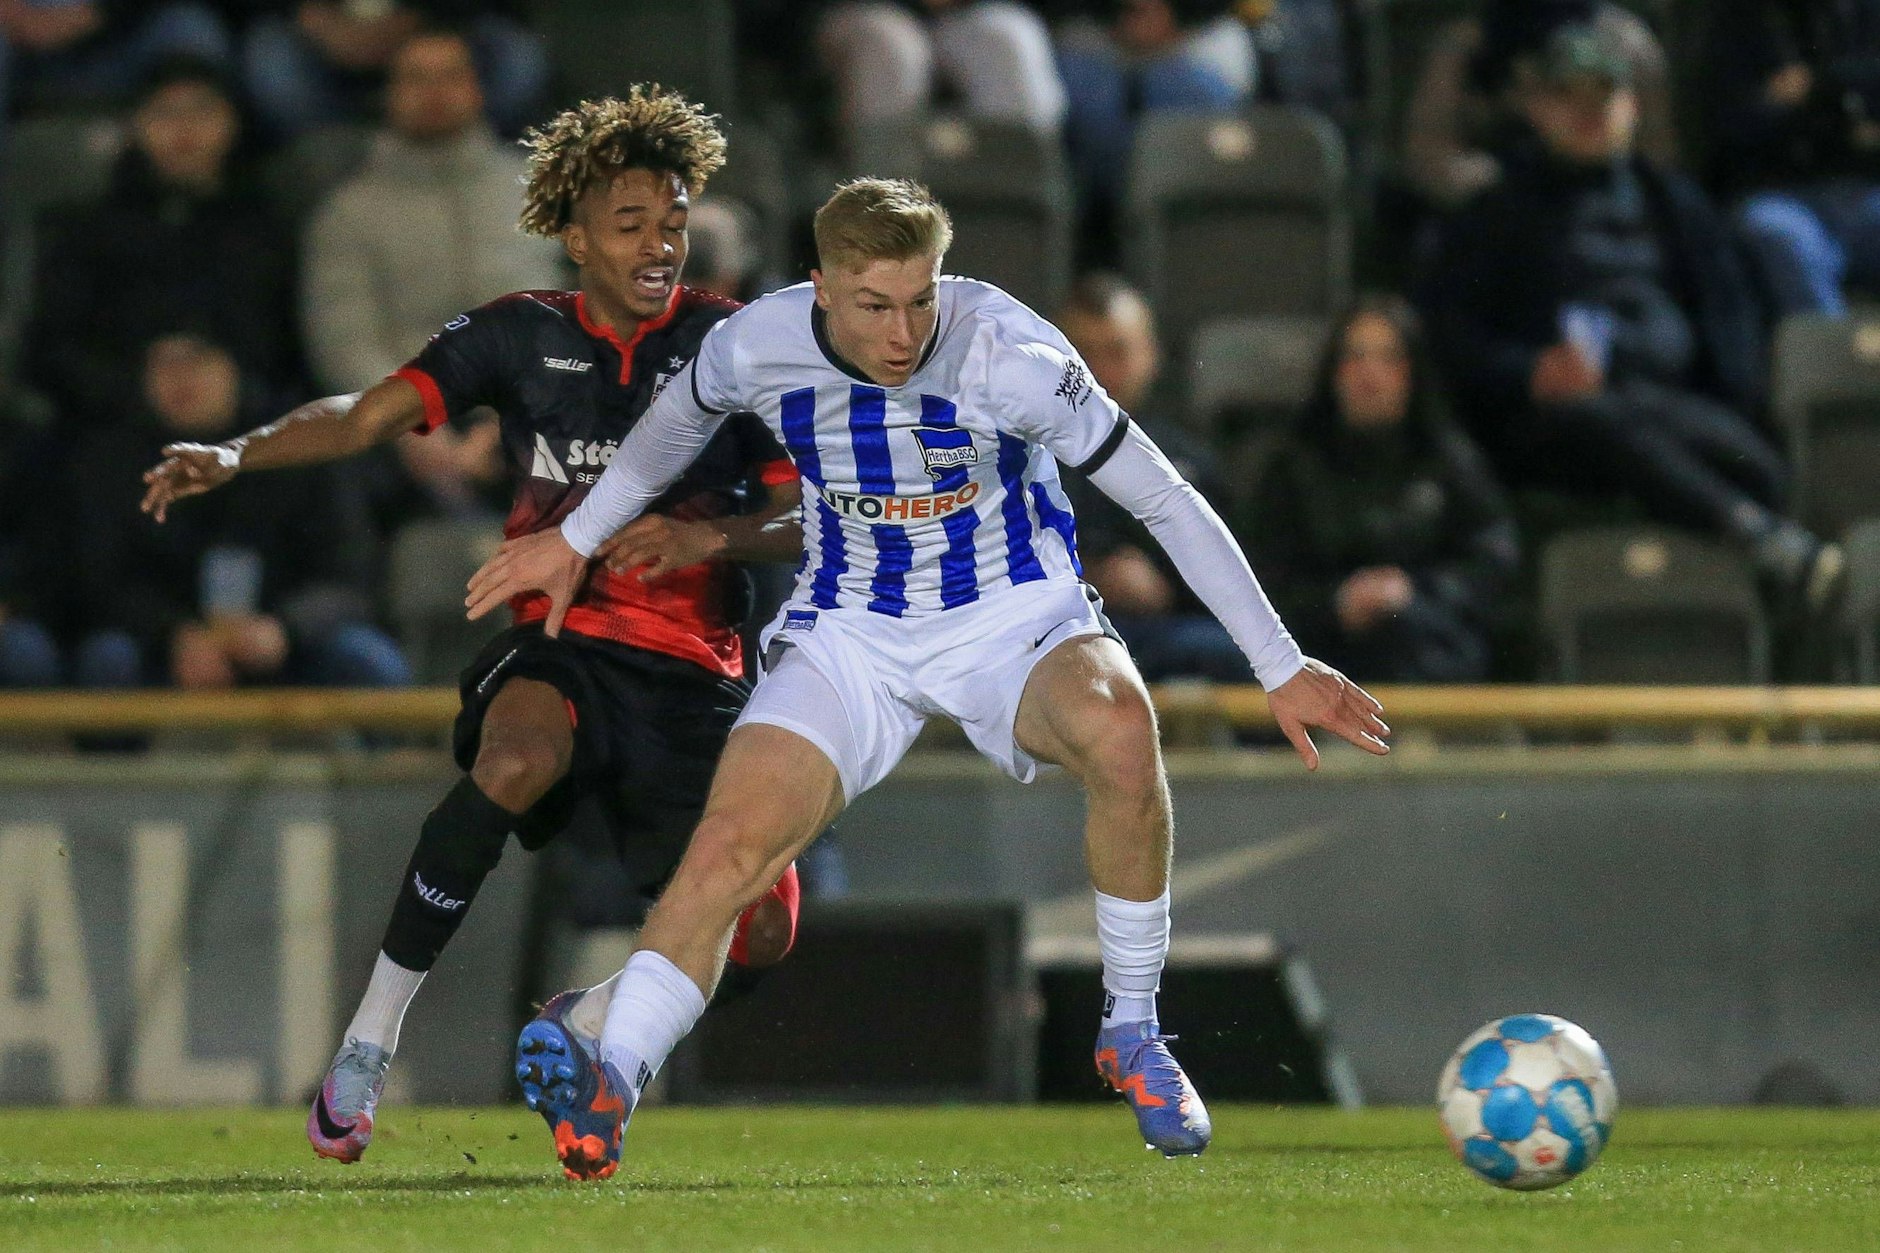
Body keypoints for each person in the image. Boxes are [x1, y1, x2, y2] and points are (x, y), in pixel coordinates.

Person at [464, 177, 1391, 1180]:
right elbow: (664, 437)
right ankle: (616, 1069)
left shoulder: (1013, 357)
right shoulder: (752, 345)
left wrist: (1277, 659)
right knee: (730, 843)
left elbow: (1162, 497)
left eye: (920, 299)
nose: (904, 330)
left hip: (1011, 611)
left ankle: (1130, 1032)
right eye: (874, 304)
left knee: (1122, 728)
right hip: (850, 626)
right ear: (820, 288)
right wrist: (577, 537)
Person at [137, 89, 807, 1169]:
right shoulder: (515, 332)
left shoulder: (733, 344)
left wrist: (714, 539)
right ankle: (366, 1044)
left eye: (673, 218)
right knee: (515, 752)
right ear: (575, 235)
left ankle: (587, 1020)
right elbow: (362, 417)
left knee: (766, 931)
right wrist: (234, 452)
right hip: (563, 635)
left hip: (696, 672)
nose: (659, 242)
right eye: (631, 222)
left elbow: (809, 511)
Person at [1419, 23, 1844, 612]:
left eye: (1605, 97)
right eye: (1571, 96)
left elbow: (1731, 324)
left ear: (1633, 105)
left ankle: (1745, 549)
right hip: (1556, 420)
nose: (1591, 113)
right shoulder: (1495, 213)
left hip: (1667, 402)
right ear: (1538, 106)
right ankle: (1751, 534)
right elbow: (1453, 334)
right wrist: (1527, 371)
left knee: (1761, 467)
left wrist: (1735, 398)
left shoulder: (1676, 204)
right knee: (1599, 421)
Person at [74, 333, 406, 691]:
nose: (181, 378)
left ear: (233, 366)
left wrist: (285, 628)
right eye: (164, 364)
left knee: (366, 659)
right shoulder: (117, 463)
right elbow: (103, 582)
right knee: (108, 658)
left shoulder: (301, 442)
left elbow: (350, 577)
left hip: (288, 642)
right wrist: (175, 634)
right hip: (165, 644)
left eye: (197, 358)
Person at [1247, 296, 1519, 683]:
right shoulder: (1291, 467)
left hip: (1430, 649)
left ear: (1412, 373)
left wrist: (1414, 593)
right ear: (1333, 372)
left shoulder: (1449, 461)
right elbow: (1262, 578)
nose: (1369, 374)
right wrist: (1336, 604)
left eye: (1387, 358)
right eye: (1354, 357)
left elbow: (1492, 559)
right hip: (1316, 654)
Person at [25, 54, 300, 429]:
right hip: (111, 424)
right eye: (164, 112)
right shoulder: (86, 228)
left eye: (202, 110)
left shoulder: (271, 225)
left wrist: (236, 382)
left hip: (251, 422)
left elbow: (290, 341)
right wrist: (137, 386)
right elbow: (53, 348)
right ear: (134, 127)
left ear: (234, 122)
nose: (184, 127)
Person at [1053, 271, 1251, 681]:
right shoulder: (1018, 457)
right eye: (1084, 353)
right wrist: (1088, 571)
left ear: (1151, 355)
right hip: (1060, 632)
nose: (1101, 371)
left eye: (1118, 351)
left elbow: (1235, 579)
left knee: (1232, 653)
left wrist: (1164, 587)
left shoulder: (1189, 461)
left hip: (1172, 633)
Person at [1404, 0, 1676, 211]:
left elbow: (1657, 157)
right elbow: (1427, 154)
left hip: (1608, 205)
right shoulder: (1464, 46)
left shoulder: (1626, 42)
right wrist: (1496, 190)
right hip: (1494, 214)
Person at [1706, 0, 1880, 317]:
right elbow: (1726, 125)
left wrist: (1818, 85)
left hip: (1858, 187)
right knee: (1784, 241)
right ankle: (1831, 364)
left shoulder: (1862, 14)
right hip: (1774, 192)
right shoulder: (1738, 21)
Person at [239, 2, 548, 141]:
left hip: (433, 28)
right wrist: (306, 15)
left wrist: (419, 18)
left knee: (515, 54)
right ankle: (333, 151)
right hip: (319, 42)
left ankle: (471, 146)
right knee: (271, 58)